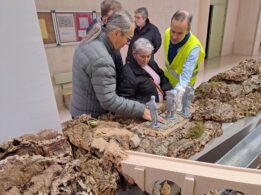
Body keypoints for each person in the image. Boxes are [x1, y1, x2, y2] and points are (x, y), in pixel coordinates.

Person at [70, 10, 151, 121]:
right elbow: (109, 100)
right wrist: (140, 109)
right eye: (127, 39)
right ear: (117, 33)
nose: (127, 44)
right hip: (90, 117)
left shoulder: (89, 40)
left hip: (79, 109)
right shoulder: (102, 59)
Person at [117, 38, 172, 104]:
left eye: (148, 56)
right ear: (134, 54)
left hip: (162, 106)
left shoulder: (151, 63)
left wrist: (168, 91)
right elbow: (126, 99)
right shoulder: (127, 72)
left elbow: (162, 77)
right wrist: (146, 105)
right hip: (146, 111)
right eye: (142, 56)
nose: (146, 60)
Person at [163, 10, 205, 93]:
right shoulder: (167, 33)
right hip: (167, 81)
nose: (174, 37)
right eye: (173, 31)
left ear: (188, 30)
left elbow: (185, 78)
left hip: (184, 88)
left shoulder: (194, 48)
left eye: (179, 33)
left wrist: (174, 93)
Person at [84, 0, 123, 85]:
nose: (119, 20)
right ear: (105, 19)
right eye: (115, 17)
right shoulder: (95, 39)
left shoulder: (110, 30)